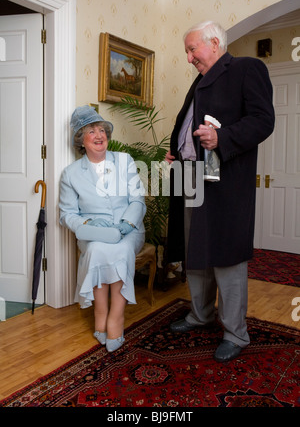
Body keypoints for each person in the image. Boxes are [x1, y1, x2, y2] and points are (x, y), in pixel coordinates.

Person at [166, 21, 275, 362]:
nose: (188, 58)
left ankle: (235, 333)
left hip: (224, 181)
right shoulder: (200, 81)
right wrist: (177, 150)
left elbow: (263, 119)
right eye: (187, 51)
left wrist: (222, 138)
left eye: (192, 49)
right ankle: (201, 315)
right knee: (194, 252)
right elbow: (188, 126)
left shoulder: (246, 68)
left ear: (214, 43)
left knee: (226, 257)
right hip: (189, 175)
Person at [59, 105, 146, 352]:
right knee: (97, 249)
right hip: (94, 233)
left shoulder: (125, 161)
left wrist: (126, 224)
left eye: (102, 130)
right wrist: (89, 224)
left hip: (129, 229)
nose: (99, 136)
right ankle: (100, 313)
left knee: (121, 250)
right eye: (91, 132)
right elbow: (67, 215)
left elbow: (137, 200)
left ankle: (115, 318)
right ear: (81, 140)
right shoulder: (71, 174)